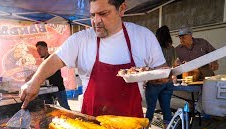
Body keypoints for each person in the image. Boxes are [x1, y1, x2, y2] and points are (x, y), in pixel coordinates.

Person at [20, 0, 167, 117]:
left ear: (121, 9)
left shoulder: (143, 36)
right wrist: (35, 81)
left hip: (130, 124)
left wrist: (162, 76)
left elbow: (162, 69)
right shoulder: (81, 39)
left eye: (103, 13)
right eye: (92, 15)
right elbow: (55, 59)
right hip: (92, 126)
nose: (96, 21)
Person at [26, 41, 70, 110]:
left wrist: (31, 77)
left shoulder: (51, 59)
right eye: (37, 50)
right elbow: (40, 71)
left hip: (59, 88)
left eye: (40, 49)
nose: (38, 52)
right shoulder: (45, 61)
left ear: (46, 49)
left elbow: (41, 71)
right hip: (49, 90)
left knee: (65, 108)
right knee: (50, 109)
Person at [145, 25, 175, 128]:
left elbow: (149, 65)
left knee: (150, 108)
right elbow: (173, 64)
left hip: (155, 82)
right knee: (166, 108)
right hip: (168, 82)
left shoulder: (155, 49)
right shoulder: (172, 49)